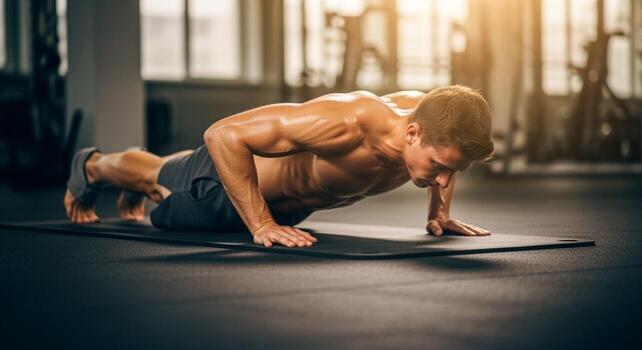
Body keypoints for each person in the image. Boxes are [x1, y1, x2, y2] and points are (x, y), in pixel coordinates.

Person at [64, 85, 494, 248]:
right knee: (156, 181)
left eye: (451, 171)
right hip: (222, 190)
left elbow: (450, 159)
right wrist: (261, 224)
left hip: (286, 209)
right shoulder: (347, 122)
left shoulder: (434, 128)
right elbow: (223, 136)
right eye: (437, 167)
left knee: (157, 175)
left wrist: (439, 214)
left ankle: (135, 175)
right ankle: (93, 166)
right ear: (413, 132)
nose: (441, 178)